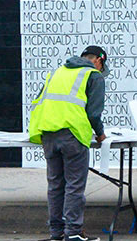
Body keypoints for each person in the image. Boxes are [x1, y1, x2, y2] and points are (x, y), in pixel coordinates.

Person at [28, 45, 108, 241]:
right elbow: (93, 113)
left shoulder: (58, 72)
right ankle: (73, 232)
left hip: (47, 133)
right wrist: (100, 134)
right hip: (72, 134)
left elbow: (39, 101)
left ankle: (56, 233)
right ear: (99, 60)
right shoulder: (93, 75)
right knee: (74, 185)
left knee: (55, 185)